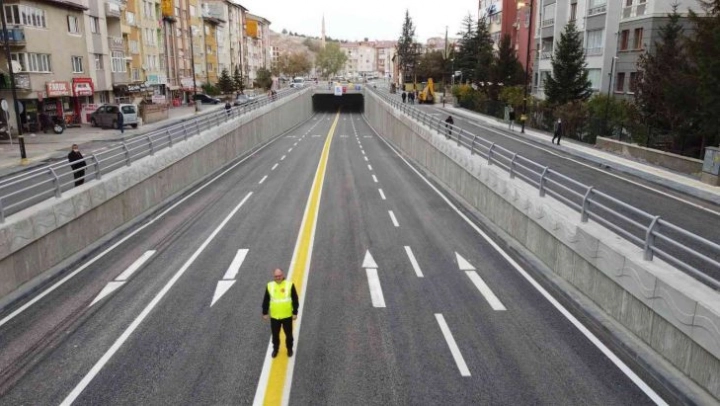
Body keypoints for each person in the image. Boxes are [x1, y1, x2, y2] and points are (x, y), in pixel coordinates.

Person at [262, 268, 299, 358]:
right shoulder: (270, 286)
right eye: (276, 276)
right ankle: (275, 349)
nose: (278, 278)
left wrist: (295, 312)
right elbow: (266, 300)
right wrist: (264, 312)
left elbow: (295, 299)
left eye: (279, 276)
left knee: (289, 335)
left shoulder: (289, 285)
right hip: (275, 316)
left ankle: (289, 349)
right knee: (275, 336)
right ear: (273, 276)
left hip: (287, 316)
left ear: (283, 275)